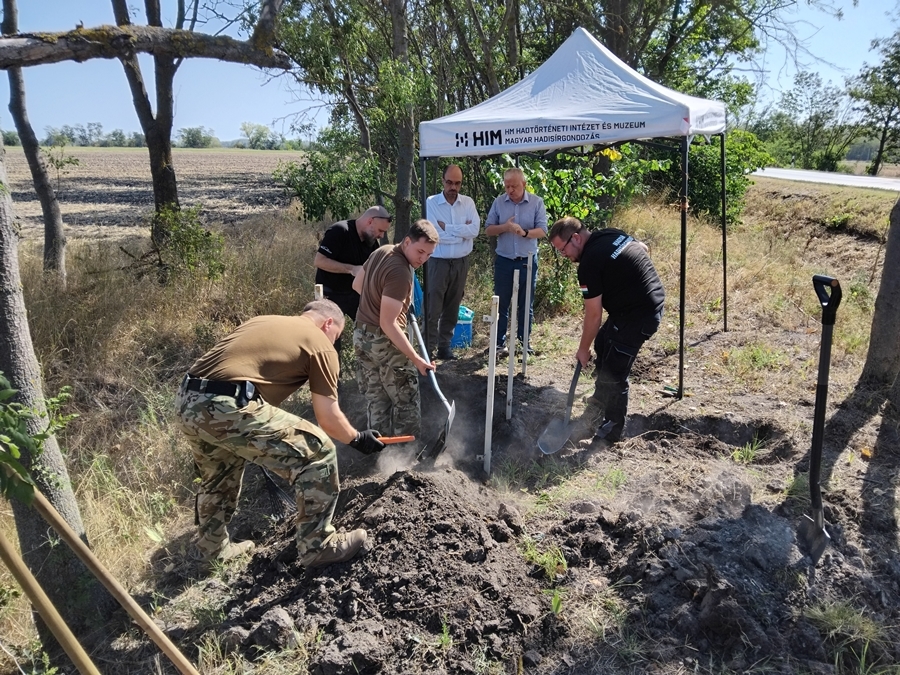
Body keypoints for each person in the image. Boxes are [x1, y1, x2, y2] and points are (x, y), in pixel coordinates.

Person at [175, 300, 385, 569]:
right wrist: (358, 438)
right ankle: (318, 546)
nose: (334, 342)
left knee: (219, 477)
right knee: (318, 451)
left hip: (188, 401)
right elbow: (328, 418)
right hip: (226, 405)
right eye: (337, 336)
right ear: (328, 323)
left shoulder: (262, 321)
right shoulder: (320, 343)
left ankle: (211, 552)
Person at [548, 217, 665, 444]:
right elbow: (642, 248)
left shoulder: (589, 263)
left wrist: (583, 350)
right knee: (603, 342)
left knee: (614, 372)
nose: (564, 256)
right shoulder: (609, 234)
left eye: (563, 250)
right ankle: (600, 401)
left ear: (576, 238)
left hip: (639, 316)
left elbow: (594, 314)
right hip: (642, 304)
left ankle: (609, 434)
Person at [352, 220, 439, 437]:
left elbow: (357, 285)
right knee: (405, 398)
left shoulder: (382, 250)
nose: (422, 259)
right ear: (407, 241)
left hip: (361, 337)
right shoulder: (401, 272)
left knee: (377, 398)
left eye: (428, 255)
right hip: (384, 342)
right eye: (420, 251)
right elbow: (387, 323)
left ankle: (378, 450)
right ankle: (404, 454)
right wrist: (417, 360)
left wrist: (384, 300)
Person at [484, 167, 548, 356]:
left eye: (514, 186)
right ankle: (498, 344)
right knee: (501, 303)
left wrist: (524, 232)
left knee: (525, 303)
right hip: (504, 260)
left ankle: (523, 345)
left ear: (524, 184)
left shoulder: (536, 202)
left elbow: (543, 230)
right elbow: (488, 230)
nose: (510, 190)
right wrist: (505, 227)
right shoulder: (499, 202)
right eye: (507, 186)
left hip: (527, 260)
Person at [314, 206, 393, 350]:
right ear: (370, 221)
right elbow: (319, 261)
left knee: (373, 333)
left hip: (356, 294)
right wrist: (351, 269)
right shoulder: (340, 231)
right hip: (331, 295)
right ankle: (333, 371)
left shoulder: (371, 243)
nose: (381, 236)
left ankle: (368, 368)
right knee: (330, 342)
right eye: (380, 231)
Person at [424, 164, 480, 360]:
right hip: (437, 262)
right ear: (442, 181)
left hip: (460, 262)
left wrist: (448, 227)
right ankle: (428, 350)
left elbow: (475, 231)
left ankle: (444, 347)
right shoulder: (431, 202)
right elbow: (434, 235)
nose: (453, 187)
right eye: (449, 182)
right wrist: (461, 233)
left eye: (457, 183)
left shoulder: (468, 203)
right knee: (433, 308)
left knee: (453, 307)